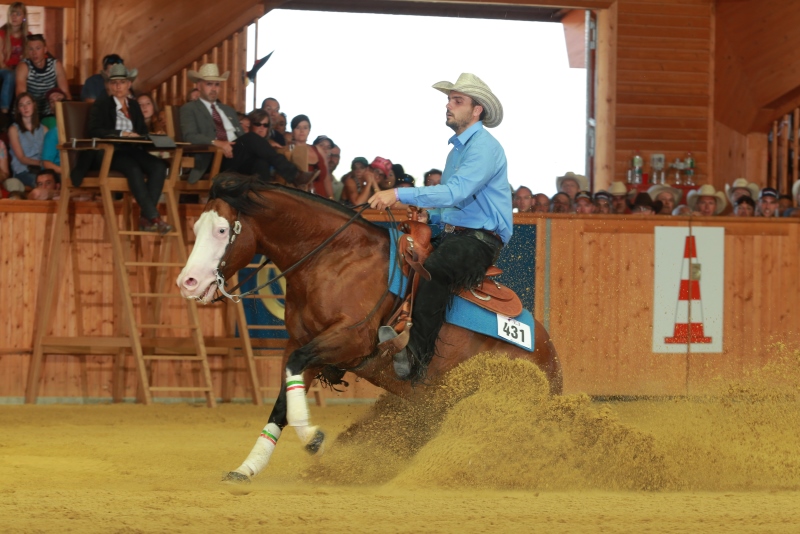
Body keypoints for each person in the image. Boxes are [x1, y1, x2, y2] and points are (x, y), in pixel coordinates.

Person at [368, 73, 510, 382]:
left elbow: (456, 192)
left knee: (434, 270)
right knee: (402, 257)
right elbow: (454, 204)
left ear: (477, 110)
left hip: (480, 241)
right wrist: (430, 220)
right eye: (449, 99)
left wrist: (398, 194)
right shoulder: (457, 151)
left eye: (457, 101)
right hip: (456, 234)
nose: (448, 105)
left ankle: (417, 361)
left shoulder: (484, 148)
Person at [179, 63, 313, 186]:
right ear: (198, 85)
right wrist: (217, 142)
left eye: (217, 84)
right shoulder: (189, 108)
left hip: (237, 154)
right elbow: (190, 136)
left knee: (260, 163)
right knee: (251, 138)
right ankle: (293, 174)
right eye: (209, 84)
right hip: (214, 157)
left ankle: (260, 207)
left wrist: (264, 145)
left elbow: (242, 137)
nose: (214, 89)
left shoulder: (227, 110)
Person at [86, 64, 171, 234]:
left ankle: (145, 218)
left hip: (132, 150)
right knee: (132, 168)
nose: (118, 86)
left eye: (122, 82)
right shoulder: (101, 105)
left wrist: (154, 138)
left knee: (159, 166)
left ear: (128, 85)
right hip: (110, 151)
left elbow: (142, 132)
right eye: (114, 82)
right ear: (109, 85)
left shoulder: (134, 106)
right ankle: (154, 217)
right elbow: (94, 130)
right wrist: (121, 133)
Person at [16, 34, 69, 117]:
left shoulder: (55, 65)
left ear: (45, 49)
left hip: (49, 112)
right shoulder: (24, 66)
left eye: (38, 48)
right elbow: (21, 95)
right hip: (30, 112)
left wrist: (69, 115)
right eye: (31, 49)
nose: (34, 53)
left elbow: (65, 93)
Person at [8, 92, 45, 188]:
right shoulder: (14, 129)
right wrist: (42, 163)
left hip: (43, 169)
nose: (25, 107)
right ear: (18, 110)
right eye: (21, 105)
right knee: (41, 183)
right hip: (23, 170)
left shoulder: (44, 129)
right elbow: (21, 158)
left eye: (28, 103)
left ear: (34, 105)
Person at [289, 115, 330, 197]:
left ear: (309, 130)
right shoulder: (289, 150)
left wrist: (331, 198)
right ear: (292, 131)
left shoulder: (318, 150)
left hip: (322, 198)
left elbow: (326, 179)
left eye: (305, 127)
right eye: (298, 127)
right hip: (301, 199)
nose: (301, 131)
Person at [0, 3, 29, 115]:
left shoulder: (27, 36)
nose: (14, 16)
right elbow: (0, 61)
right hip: (4, 68)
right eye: (12, 13)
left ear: (24, 17)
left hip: (19, 69)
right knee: (10, 75)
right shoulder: (2, 33)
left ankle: (23, 111)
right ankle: (4, 111)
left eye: (18, 14)